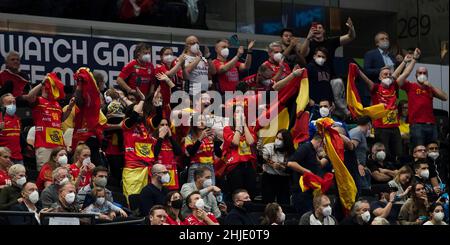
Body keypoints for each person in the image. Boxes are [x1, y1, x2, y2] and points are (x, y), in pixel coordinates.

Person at [357, 51, 419, 161]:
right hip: (381, 128)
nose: (388, 76)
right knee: (384, 155)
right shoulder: (375, 88)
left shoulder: (394, 86)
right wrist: (358, 71)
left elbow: (404, 74)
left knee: (399, 154)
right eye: (385, 74)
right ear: (380, 78)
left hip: (395, 127)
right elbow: (366, 80)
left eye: (389, 74)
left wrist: (412, 60)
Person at [24, 73, 66, 171]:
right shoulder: (38, 100)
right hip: (43, 144)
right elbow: (29, 96)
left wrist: (70, 108)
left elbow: (62, 119)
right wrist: (42, 83)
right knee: (45, 172)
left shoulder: (57, 104)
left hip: (58, 143)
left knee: (62, 172)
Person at [397, 66, 448, 147]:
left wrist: (431, 86)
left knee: (432, 150)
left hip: (431, 124)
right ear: (416, 75)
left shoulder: (430, 88)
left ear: (427, 75)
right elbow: (399, 81)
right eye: (420, 73)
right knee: (419, 149)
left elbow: (445, 97)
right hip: (417, 125)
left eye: (424, 73)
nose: (422, 75)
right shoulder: (411, 86)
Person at [121, 88, 158, 198]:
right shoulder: (127, 125)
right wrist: (142, 100)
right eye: (138, 109)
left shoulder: (146, 127)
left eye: (142, 110)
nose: (141, 111)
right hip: (133, 169)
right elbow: (134, 116)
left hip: (148, 169)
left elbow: (158, 117)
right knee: (132, 199)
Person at [222, 105, 257, 199]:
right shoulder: (227, 129)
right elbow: (235, 142)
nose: (240, 115)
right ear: (233, 115)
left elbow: (251, 142)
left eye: (242, 112)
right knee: (237, 193)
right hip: (235, 166)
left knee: (250, 193)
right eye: (237, 112)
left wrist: (244, 124)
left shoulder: (249, 129)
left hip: (249, 165)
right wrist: (238, 126)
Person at [286, 134, 326, 215]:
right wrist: (307, 172)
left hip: (310, 192)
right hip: (302, 192)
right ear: (320, 143)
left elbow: (318, 164)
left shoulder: (313, 151)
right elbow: (290, 163)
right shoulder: (305, 148)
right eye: (324, 145)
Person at [261, 129, 294, 205]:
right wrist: (272, 164)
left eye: (281, 139)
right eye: (277, 138)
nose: (278, 140)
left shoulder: (291, 151)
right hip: (269, 178)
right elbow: (264, 158)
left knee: (284, 203)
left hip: (284, 180)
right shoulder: (268, 147)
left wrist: (282, 168)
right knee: (267, 203)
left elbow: (292, 169)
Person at [184, 115, 218, 184]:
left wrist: (216, 140)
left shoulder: (211, 136)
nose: (202, 122)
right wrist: (200, 138)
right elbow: (191, 153)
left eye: (204, 120)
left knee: (210, 191)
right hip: (195, 166)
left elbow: (218, 153)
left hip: (209, 166)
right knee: (193, 191)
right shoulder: (189, 137)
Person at [349, 116, 372, 190]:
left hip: (359, 167)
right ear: (368, 124)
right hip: (355, 168)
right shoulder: (357, 133)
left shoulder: (360, 133)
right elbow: (351, 149)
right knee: (364, 190)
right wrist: (358, 164)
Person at [0, 93, 23, 164]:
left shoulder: (18, 119)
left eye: (14, 102)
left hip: (18, 157)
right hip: (5, 158)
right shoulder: (0, 117)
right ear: (3, 105)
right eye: (9, 103)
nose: (12, 105)